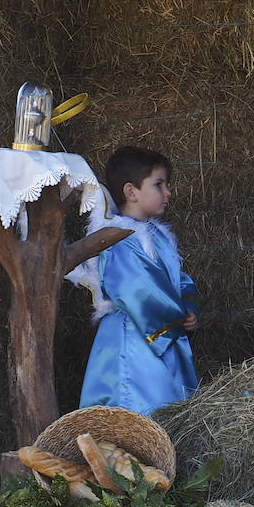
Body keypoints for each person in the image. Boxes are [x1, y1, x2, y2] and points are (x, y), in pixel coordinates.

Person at [77, 146, 199, 415]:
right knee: (139, 406)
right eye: (159, 185)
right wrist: (178, 317)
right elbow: (139, 289)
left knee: (167, 408)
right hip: (133, 340)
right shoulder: (117, 239)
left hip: (161, 335)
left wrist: (189, 307)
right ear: (131, 192)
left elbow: (178, 279)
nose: (168, 193)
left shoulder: (157, 235)